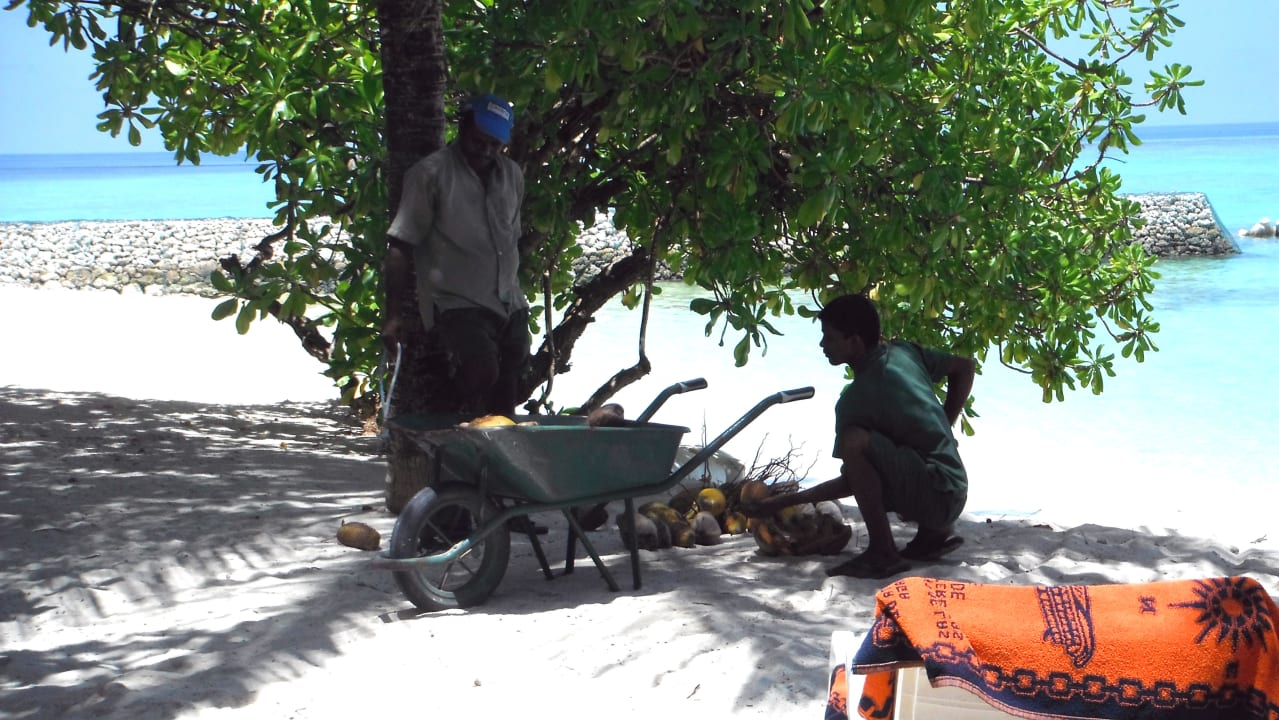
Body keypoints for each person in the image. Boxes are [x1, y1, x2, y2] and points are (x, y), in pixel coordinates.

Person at [744, 294, 975, 579]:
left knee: (855, 441)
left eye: (829, 337)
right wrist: (945, 428)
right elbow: (965, 368)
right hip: (955, 486)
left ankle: (883, 552)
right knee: (899, 450)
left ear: (854, 341)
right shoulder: (904, 352)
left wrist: (779, 503)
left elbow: (853, 482)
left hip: (937, 497)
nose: (822, 345)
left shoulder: (855, 401)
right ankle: (932, 534)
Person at [381, 93, 529, 418]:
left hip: (510, 301)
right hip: (457, 302)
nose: (486, 151)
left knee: (509, 385)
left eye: (495, 144)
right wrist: (393, 315)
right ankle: (441, 418)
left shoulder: (512, 175)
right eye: (478, 141)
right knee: (481, 371)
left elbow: (510, 239)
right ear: (462, 127)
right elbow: (400, 244)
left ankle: (494, 445)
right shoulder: (429, 174)